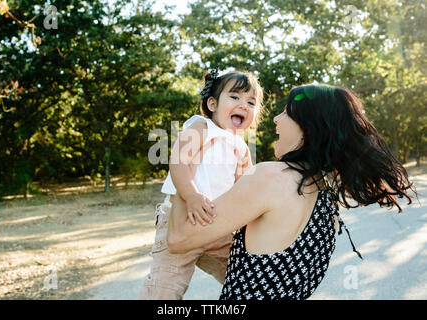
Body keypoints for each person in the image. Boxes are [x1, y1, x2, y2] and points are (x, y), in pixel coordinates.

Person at [167, 83, 415, 300]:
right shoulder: (327, 201)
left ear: (308, 127)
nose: (275, 118)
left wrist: (187, 165)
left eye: (286, 112)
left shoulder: (270, 178)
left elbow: (178, 240)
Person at [138, 69, 265, 299]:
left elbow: (242, 188)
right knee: (164, 290)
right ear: (213, 104)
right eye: (235, 97)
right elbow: (178, 163)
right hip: (181, 221)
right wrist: (192, 195)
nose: (244, 105)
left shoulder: (242, 148)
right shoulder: (202, 128)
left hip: (218, 227)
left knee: (245, 278)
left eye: (251, 102)